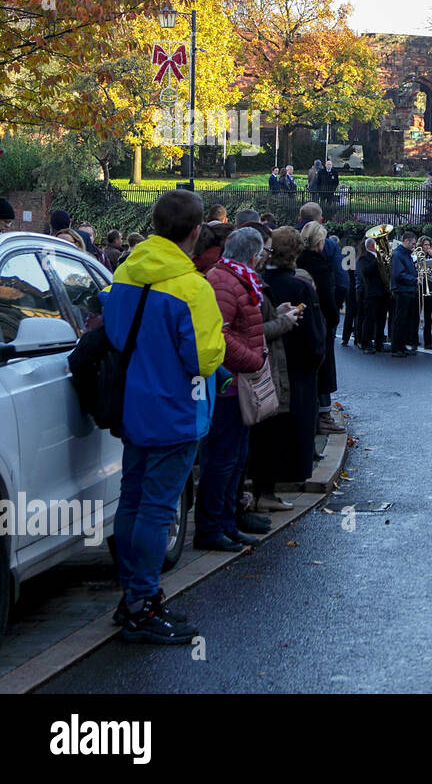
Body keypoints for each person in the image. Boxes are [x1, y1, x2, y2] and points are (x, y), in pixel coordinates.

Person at [104, 189, 224, 643]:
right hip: (177, 409)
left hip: (134, 406)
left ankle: (131, 597)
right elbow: (206, 358)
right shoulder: (192, 287)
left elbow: (116, 335)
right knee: (157, 509)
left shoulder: (126, 273)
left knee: (131, 500)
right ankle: (143, 603)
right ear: (196, 232)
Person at [194, 226, 267, 552]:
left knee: (235, 459)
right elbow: (218, 335)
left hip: (238, 383)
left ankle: (226, 523)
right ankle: (210, 528)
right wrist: (252, 358)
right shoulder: (224, 281)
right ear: (253, 255)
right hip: (227, 384)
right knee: (221, 460)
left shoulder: (236, 278)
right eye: (262, 253)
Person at [248, 227, 325, 499]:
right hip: (297, 367)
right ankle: (285, 478)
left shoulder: (259, 281)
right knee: (293, 426)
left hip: (262, 366)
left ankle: (264, 482)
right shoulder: (301, 286)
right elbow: (316, 338)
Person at [298, 221, 342, 430]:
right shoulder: (321, 265)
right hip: (321, 320)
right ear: (320, 242)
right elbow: (327, 296)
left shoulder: (297, 261)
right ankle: (324, 415)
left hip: (300, 320)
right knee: (323, 367)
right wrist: (333, 318)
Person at [388, 230, 419, 357]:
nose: (414, 246)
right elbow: (399, 275)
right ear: (406, 241)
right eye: (413, 243)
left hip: (408, 290)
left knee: (405, 321)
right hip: (402, 291)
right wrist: (415, 279)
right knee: (399, 321)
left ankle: (402, 346)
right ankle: (396, 348)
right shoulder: (398, 255)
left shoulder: (405, 254)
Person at [357, 236, 389, 353]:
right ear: (372, 246)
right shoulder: (364, 258)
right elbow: (366, 272)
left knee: (381, 319)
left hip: (384, 292)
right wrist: (377, 260)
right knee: (370, 319)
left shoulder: (381, 257)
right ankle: (367, 343)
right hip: (372, 292)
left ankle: (379, 343)